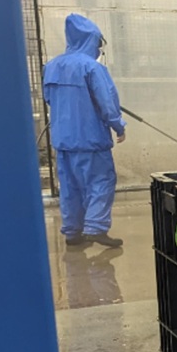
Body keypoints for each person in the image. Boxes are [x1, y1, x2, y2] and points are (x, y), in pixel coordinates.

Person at [43, 14, 126, 249]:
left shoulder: (52, 66)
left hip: (63, 140)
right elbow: (107, 103)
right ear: (92, 40)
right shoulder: (91, 67)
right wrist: (118, 126)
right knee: (101, 180)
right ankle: (95, 228)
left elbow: (49, 99)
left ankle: (73, 232)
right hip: (90, 139)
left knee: (70, 186)